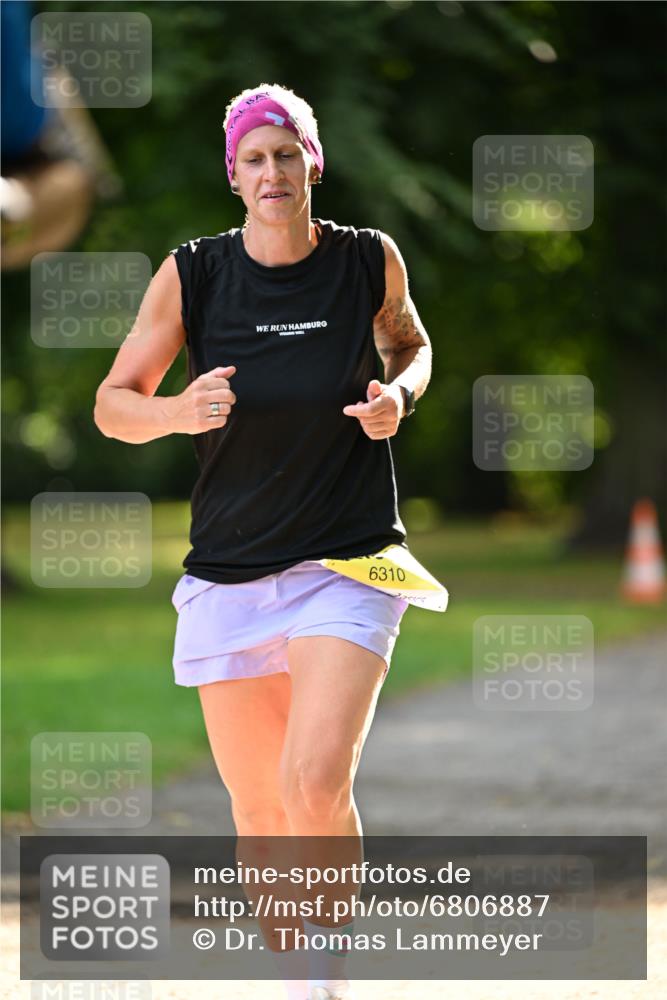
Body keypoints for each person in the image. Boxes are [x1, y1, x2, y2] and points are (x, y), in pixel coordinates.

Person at [94, 83, 432, 1000]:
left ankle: (324, 979)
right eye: (254, 157)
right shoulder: (195, 273)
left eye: (287, 153)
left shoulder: (367, 260)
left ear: (311, 164)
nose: (272, 171)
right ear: (233, 176)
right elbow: (113, 403)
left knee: (314, 782)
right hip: (230, 572)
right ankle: (291, 978)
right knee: (258, 807)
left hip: (350, 560)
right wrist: (174, 411)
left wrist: (397, 395)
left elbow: (409, 343)